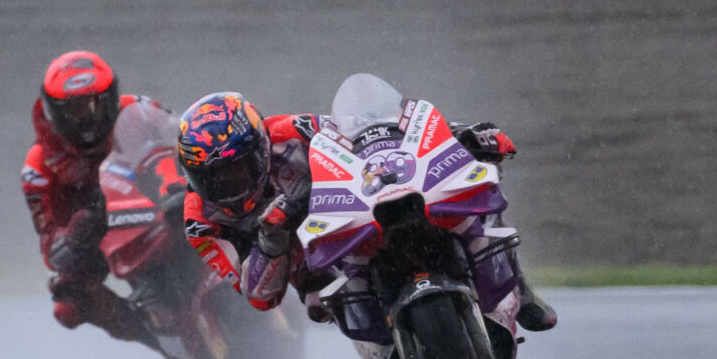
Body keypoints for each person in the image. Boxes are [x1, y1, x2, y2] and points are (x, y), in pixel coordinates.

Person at [175, 91, 556, 331]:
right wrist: (271, 240)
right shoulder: (200, 223)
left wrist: (457, 136)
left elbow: (372, 135)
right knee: (321, 307)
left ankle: (518, 287)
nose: (226, 186)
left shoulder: (293, 132)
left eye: (235, 170)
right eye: (211, 178)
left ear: (258, 147)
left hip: (355, 215)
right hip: (312, 271)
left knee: (461, 196)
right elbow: (257, 295)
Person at [20, 50, 170, 345]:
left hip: (163, 204)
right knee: (68, 305)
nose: (88, 120)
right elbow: (52, 247)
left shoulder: (140, 112)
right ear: (54, 113)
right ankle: (155, 340)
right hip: (101, 236)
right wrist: (79, 227)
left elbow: (187, 144)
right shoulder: (38, 167)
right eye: (76, 112)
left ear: (112, 98)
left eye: (97, 106)